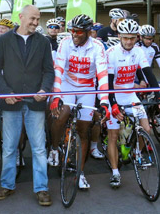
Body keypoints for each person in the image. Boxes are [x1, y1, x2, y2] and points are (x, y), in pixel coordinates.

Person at [0, 5, 54, 206]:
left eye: (38, 19)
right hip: (11, 103)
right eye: (33, 18)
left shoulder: (43, 42)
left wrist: (44, 90)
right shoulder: (4, 40)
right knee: (9, 147)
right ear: (21, 17)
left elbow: (49, 71)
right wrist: (5, 93)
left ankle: (42, 189)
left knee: (39, 148)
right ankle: (7, 185)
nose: (36, 23)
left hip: (35, 103)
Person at [49, 14, 108, 189]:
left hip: (87, 88)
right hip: (67, 84)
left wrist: (104, 101)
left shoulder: (97, 46)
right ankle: (53, 148)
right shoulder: (65, 43)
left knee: (83, 129)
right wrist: (56, 96)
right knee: (63, 113)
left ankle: (80, 174)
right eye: (71, 31)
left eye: (79, 31)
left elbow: (102, 74)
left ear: (88, 32)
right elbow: (58, 69)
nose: (74, 34)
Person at [101, 19, 160, 188]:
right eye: (125, 37)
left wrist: (159, 96)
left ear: (137, 37)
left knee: (146, 129)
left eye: (132, 38)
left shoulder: (139, 51)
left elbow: (149, 74)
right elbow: (109, 83)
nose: (128, 41)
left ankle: (136, 154)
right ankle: (115, 173)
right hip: (114, 95)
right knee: (113, 135)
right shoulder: (111, 53)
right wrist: (113, 105)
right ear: (119, 36)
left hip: (130, 95)